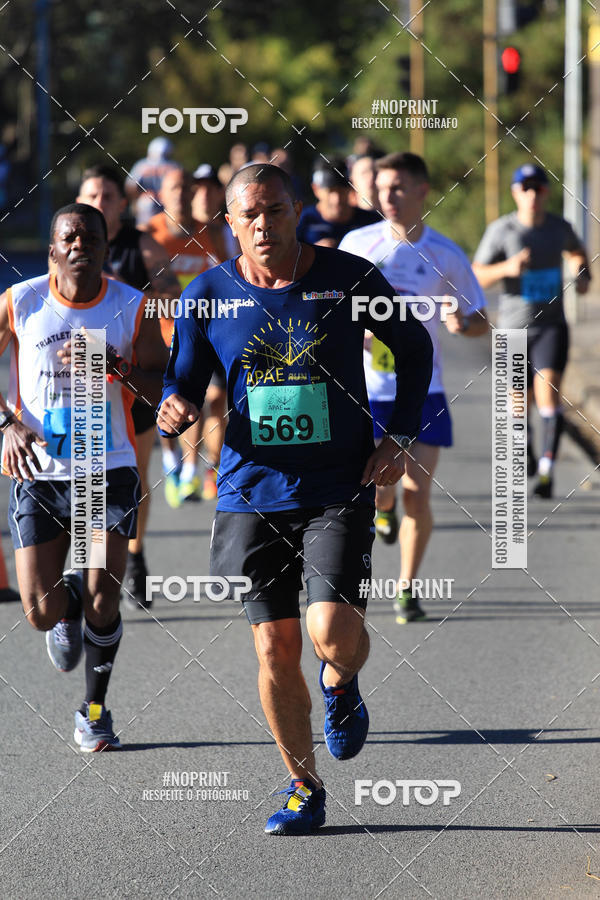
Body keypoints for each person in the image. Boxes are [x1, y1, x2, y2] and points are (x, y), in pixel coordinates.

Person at [157, 164, 432, 834]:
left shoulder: (346, 279)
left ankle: (341, 681)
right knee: (275, 649)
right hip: (251, 491)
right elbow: (185, 382)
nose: (264, 225)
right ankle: (302, 787)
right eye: (250, 215)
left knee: (328, 634)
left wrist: (398, 435)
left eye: (276, 211)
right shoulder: (207, 296)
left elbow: (414, 346)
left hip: (338, 482)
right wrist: (176, 408)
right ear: (230, 223)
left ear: (297, 210)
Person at [0, 203, 165, 750]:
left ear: (103, 245)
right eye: (68, 237)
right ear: (53, 248)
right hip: (41, 471)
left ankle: (94, 710)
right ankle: (64, 600)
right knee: (42, 614)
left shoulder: (130, 305)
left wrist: (115, 368)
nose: (79, 245)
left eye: (90, 237)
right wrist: (8, 423)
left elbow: (157, 385)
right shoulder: (21, 302)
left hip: (105, 468)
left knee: (104, 600)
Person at [340, 152, 488, 624]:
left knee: (416, 493)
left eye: (399, 187)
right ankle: (381, 512)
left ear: (423, 192)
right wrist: (356, 330)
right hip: (365, 393)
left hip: (424, 392)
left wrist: (462, 324)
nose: (389, 197)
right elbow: (327, 309)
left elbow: (482, 318)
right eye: (382, 188)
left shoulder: (445, 253)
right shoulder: (357, 245)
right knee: (377, 491)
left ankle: (406, 589)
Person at [77, 165, 176, 608]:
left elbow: (173, 295)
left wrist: (129, 301)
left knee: (133, 478)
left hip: (132, 377)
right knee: (85, 477)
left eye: (107, 195)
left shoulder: (141, 245)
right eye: (91, 194)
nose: (99, 202)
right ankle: (88, 566)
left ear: (122, 203)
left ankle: (134, 555)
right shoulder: (69, 244)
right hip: (80, 381)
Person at [472, 163, 590, 498]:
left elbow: (577, 252)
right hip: (513, 329)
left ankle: (547, 472)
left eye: (538, 187)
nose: (532, 194)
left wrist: (582, 274)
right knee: (519, 404)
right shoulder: (502, 230)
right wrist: (507, 268)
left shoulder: (558, 227)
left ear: (546, 192)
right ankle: (527, 451)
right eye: (525, 188)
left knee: (548, 394)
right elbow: (476, 274)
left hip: (551, 325)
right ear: (514, 192)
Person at [144, 168, 221, 505]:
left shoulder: (210, 233)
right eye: (175, 187)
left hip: (202, 334)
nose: (182, 193)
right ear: (162, 194)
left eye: (187, 187)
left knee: (205, 398)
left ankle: (191, 470)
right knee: (167, 403)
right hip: (161, 334)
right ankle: (170, 456)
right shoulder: (150, 234)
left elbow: (226, 272)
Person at [191, 163, 236, 499]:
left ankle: (211, 466)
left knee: (217, 399)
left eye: (211, 188)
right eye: (199, 188)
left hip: (221, 329)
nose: (205, 194)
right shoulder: (170, 232)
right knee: (189, 397)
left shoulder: (229, 232)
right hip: (184, 331)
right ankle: (185, 466)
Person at [296, 159, 380, 248]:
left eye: (341, 191)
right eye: (330, 191)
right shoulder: (299, 222)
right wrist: (312, 252)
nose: (336, 199)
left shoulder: (372, 222)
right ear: (316, 189)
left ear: (351, 188)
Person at [125, 137, 180, 226]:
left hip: (161, 209)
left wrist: (137, 199)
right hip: (154, 208)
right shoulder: (174, 166)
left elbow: (130, 186)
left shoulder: (141, 165)